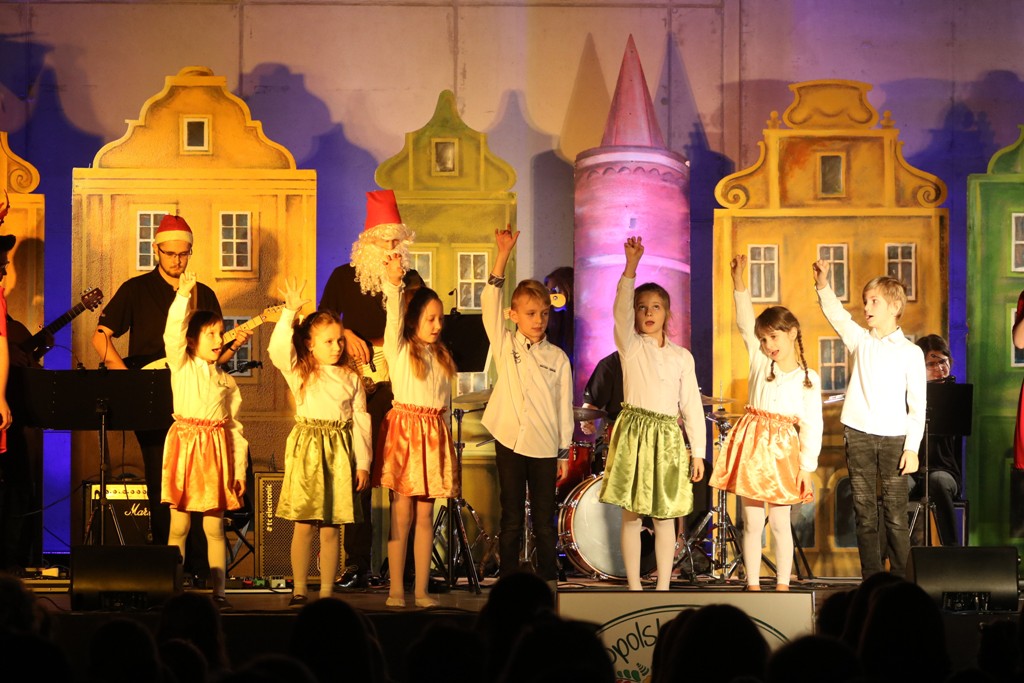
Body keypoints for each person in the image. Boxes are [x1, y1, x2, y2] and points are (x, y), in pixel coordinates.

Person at [92, 215, 246, 570]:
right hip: (150, 393)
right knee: (163, 480)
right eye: (170, 253)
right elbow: (101, 337)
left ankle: (200, 568)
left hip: (193, 398)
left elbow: (213, 357)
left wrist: (233, 346)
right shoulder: (135, 289)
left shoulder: (203, 293)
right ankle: (168, 568)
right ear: (156, 250)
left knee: (202, 484)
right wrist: (126, 378)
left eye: (184, 254)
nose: (178, 260)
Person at [318, 190, 414, 589]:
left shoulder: (411, 281)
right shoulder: (343, 276)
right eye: (383, 240)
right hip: (355, 385)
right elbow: (320, 319)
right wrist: (346, 332)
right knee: (358, 473)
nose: (390, 248)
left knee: (399, 476)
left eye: (396, 240)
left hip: (399, 386)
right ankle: (357, 562)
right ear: (367, 241)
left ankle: (403, 563)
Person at [598, 235, 706, 591]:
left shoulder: (681, 357)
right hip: (635, 432)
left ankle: (662, 587)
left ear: (666, 314)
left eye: (656, 307)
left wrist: (698, 452)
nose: (648, 313)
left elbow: (691, 405)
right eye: (642, 307)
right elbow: (620, 310)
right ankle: (634, 586)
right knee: (631, 515)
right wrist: (631, 267)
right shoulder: (630, 347)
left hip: (668, 437)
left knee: (664, 516)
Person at [709, 255, 822, 590]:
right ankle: (754, 584)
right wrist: (738, 281)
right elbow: (746, 322)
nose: (768, 345)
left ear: (792, 333)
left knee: (780, 521)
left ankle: (783, 584)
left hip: (783, 451)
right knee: (752, 520)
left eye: (774, 337)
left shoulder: (808, 379)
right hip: (754, 446)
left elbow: (812, 424)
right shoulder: (760, 362)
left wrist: (806, 466)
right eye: (764, 340)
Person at [813, 259, 925, 578]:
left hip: (894, 440)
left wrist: (912, 448)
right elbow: (837, 315)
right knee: (864, 514)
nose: (866, 307)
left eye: (874, 301)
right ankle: (872, 580)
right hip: (859, 434)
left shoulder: (911, 353)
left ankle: (901, 581)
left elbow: (917, 405)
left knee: (895, 515)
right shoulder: (861, 340)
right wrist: (823, 285)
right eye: (865, 301)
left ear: (894, 306)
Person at [268, 277, 372, 606]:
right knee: (303, 525)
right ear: (310, 344)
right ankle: (300, 588)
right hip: (309, 451)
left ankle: (327, 592)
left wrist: (363, 462)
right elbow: (277, 352)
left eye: (339, 340)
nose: (337, 347)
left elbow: (361, 421)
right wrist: (288, 313)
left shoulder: (351, 377)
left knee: (331, 529)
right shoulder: (301, 371)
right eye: (328, 341)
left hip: (340, 454)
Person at [482, 228, 572, 589]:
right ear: (514, 314)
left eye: (544, 314)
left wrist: (564, 451)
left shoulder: (558, 358)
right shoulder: (505, 345)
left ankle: (548, 584)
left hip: (545, 446)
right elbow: (489, 303)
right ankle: (508, 584)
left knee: (545, 521)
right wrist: (503, 254)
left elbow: (564, 409)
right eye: (531, 313)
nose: (538, 320)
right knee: (511, 518)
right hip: (509, 440)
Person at [374, 249, 459, 608]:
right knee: (402, 512)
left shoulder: (442, 357)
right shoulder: (399, 349)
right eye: (430, 319)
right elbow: (394, 316)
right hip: (406, 434)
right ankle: (396, 589)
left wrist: (447, 446)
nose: (437, 325)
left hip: (433, 436)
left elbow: (445, 406)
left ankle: (421, 590)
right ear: (414, 321)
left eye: (440, 319)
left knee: (426, 515)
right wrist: (394, 282)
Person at [160, 270, 247, 609]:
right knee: (179, 526)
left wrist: (238, 471)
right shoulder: (182, 366)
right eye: (210, 333)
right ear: (192, 340)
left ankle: (220, 593)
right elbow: (172, 334)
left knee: (214, 528)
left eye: (220, 333)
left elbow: (235, 429)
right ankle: (172, 591)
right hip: (184, 448)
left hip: (214, 454)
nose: (218, 339)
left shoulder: (226, 382)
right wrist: (182, 296)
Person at [910, 334, 961, 546]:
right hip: (911, 471)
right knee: (894, 486)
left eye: (943, 362)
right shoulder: (908, 396)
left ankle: (951, 552)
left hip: (945, 471)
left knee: (938, 482)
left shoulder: (956, 396)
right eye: (931, 364)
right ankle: (893, 555)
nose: (939, 369)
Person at [543, 266, 574, 366]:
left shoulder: (578, 324)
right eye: (548, 291)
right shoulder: (553, 322)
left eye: (555, 290)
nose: (550, 296)